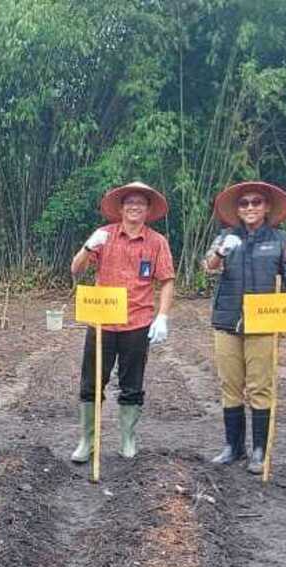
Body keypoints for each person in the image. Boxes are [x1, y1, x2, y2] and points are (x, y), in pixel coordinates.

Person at [68, 181, 175, 463]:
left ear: (148, 209)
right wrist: (87, 246)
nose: (134, 207)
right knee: (91, 383)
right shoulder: (104, 235)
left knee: (132, 384)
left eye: (141, 202)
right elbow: (75, 270)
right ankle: (86, 441)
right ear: (120, 208)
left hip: (137, 323)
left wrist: (162, 316)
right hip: (101, 321)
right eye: (129, 202)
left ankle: (128, 439)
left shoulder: (157, 242)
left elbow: (166, 282)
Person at [202, 181, 286, 474]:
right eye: (244, 203)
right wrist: (221, 253)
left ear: (267, 207)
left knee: (260, 386)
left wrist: (284, 310)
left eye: (256, 202)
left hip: (263, 323)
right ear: (237, 209)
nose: (250, 207)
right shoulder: (224, 237)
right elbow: (207, 267)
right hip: (227, 319)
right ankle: (233, 447)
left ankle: (260, 450)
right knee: (230, 385)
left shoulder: (282, 240)